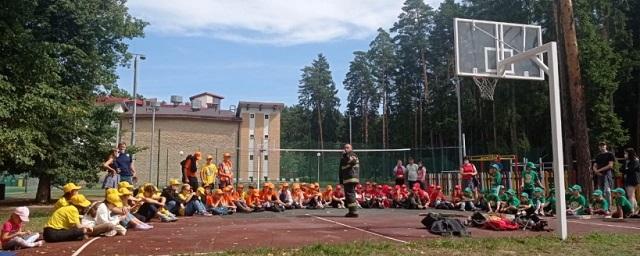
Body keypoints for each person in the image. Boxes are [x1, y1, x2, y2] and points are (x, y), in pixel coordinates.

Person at [340, 143, 360, 218]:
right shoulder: (345, 157)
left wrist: (346, 155)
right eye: (345, 147)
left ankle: (353, 212)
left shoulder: (352, 155)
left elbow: (353, 162)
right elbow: (342, 169)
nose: (345, 149)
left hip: (350, 178)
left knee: (350, 194)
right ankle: (352, 211)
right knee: (349, 195)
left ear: (351, 149)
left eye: (347, 147)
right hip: (347, 178)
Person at [620, 148, 639, 213]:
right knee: (632, 195)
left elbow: (631, 170)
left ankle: (631, 210)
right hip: (626, 179)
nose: (625, 155)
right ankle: (635, 210)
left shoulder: (635, 160)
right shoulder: (626, 161)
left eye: (626, 153)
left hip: (632, 180)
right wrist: (625, 170)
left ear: (630, 153)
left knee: (630, 195)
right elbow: (621, 169)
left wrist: (625, 170)